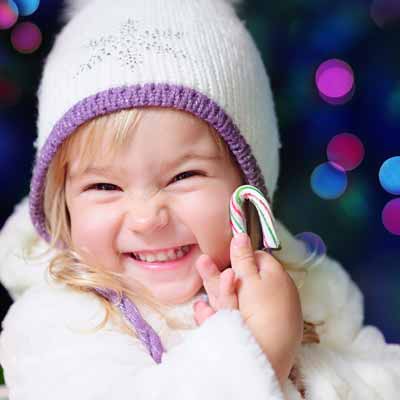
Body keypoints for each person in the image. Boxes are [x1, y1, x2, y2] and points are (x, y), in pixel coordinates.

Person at [0, 0, 399, 399]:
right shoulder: (56, 325)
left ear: (248, 187)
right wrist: (261, 349)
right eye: (104, 187)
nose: (146, 218)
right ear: (61, 202)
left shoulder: (307, 288)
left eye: (184, 175)